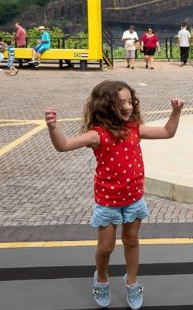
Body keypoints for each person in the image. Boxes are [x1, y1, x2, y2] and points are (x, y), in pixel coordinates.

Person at [44, 80, 184, 309]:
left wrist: (175, 112)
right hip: (108, 202)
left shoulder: (135, 128)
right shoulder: (97, 135)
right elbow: (64, 145)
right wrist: (53, 128)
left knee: (131, 241)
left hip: (134, 199)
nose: (129, 107)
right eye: (122, 103)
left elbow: (168, 132)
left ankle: (132, 281)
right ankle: (101, 277)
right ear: (107, 106)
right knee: (106, 246)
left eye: (130, 101)